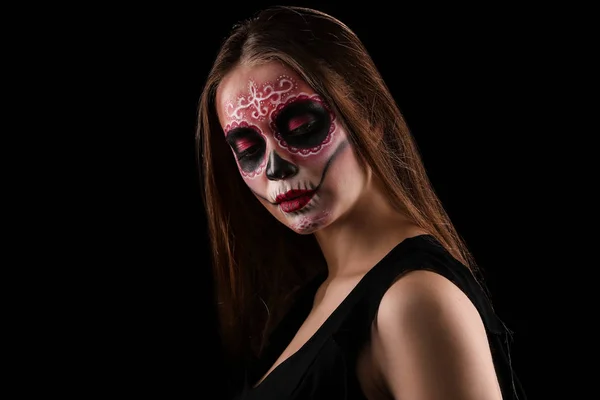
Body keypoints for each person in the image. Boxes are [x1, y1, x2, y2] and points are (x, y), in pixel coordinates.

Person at [196, 5, 527, 400]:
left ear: (368, 114)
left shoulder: (414, 301)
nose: (275, 167)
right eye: (248, 149)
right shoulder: (316, 294)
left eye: (303, 128)